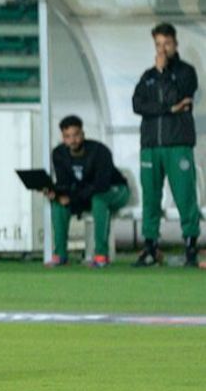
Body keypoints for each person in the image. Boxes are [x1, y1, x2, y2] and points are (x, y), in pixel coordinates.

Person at [132, 22, 200, 267]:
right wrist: (169, 109)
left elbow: (179, 95)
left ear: (175, 44)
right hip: (150, 145)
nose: (162, 50)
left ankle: (191, 248)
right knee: (150, 197)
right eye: (158, 45)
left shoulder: (186, 72)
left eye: (166, 44)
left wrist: (163, 76)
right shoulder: (147, 76)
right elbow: (137, 105)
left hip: (178, 144)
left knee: (185, 196)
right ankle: (150, 247)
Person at [43, 115, 130, 267]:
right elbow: (65, 183)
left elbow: (101, 185)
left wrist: (73, 199)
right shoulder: (59, 154)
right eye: (67, 136)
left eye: (76, 135)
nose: (73, 140)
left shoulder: (99, 151)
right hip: (85, 194)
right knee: (58, 204)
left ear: (83, 134)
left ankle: (101, 256)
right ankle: (60, 255)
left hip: (115, 190)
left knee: (99, 199)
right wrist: (55, 193)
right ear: (63, 138)